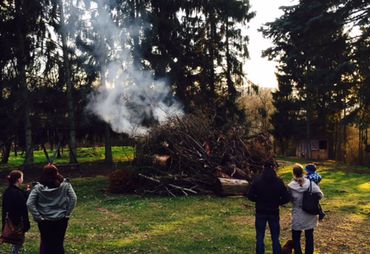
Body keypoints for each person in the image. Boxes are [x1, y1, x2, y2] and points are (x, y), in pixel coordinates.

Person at [27, 164, 77, 254]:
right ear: (56, 172)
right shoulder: (65, 185)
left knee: (46, 243)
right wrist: (67, 213)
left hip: (44, 220)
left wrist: (38, 216)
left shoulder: (38, 188)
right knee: (58, 243)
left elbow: (29, 203)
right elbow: (73, 198)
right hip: (61, 218)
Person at [247, 159, 290, 254]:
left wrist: (258, 200)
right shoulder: (278, 181)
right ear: (274, 168)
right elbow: (287, 197)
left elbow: (250, 196)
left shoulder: (257, 180)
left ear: (263, 167)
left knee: (260, 237)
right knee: (275, 237)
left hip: (261, 211)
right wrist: (278, 202)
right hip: (274, 211)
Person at [288, 164, 323, 254]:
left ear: (293, 173)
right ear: (303, 172)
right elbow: (320, 195)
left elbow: (289, 199)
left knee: (296, 236)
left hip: (298, 212)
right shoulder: (310, 183)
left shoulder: (291, 186)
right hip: (310, 213)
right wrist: (312, 199)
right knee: (309, 235)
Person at [2, 170, 31, 254]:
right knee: (19, 241)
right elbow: (22, 208)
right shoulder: (18, 193)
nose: (22, 179)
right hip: (17, 222)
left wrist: (27, 192)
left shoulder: (8, 191)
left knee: (17, 242)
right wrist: (26, 224)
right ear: (18, 180)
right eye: (22, 177)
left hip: (10, 221)